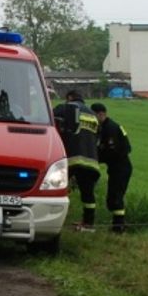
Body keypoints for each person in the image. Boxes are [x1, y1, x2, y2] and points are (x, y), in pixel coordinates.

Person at [52, 89, 100, 230]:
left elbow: (50, 116)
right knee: (88, 194)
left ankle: (53, 220)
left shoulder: (68, 107)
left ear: (70, 98)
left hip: (73, 159)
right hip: (91, 160)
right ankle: (88, 224)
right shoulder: (93, 115)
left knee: (55, 187)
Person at [91, 102, 133, 233]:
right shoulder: (104, 127)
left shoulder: (110, 129)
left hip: (121, 167)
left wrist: (97, 158)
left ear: (101, 114)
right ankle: (118, 224)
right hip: (115, 167)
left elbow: (114, 151)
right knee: (112, 198)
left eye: (93, 116)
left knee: (116, 197)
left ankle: (118, 227)